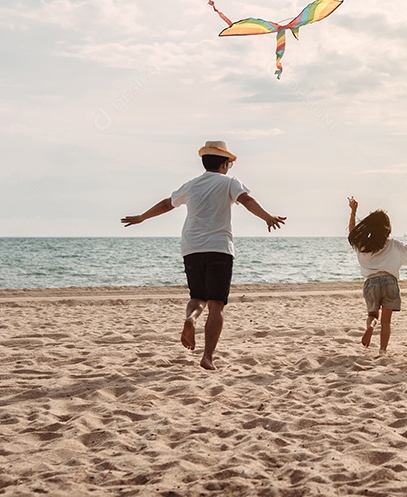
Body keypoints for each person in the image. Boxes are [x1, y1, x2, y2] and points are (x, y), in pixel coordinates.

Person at [121, 140, 286, 370]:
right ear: (225, 164)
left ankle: (191, 318)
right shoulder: (230, 182)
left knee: (197, 296)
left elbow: (167, 204)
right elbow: (246, 200)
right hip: (219, 248)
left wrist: (142, 217)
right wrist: (267, 217)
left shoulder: (191, 185)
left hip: (191, 248)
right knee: (216, 304)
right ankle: (208, 356)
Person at [347, 196, 407, 355]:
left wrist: (353, 211)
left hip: (371, 283)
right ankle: (382, 351)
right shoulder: (394, 244)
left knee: (373, 315)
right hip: (390, 282)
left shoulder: (363, 244)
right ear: (387, 228)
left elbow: (352, 233)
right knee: (386, 321)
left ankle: (371, 326)